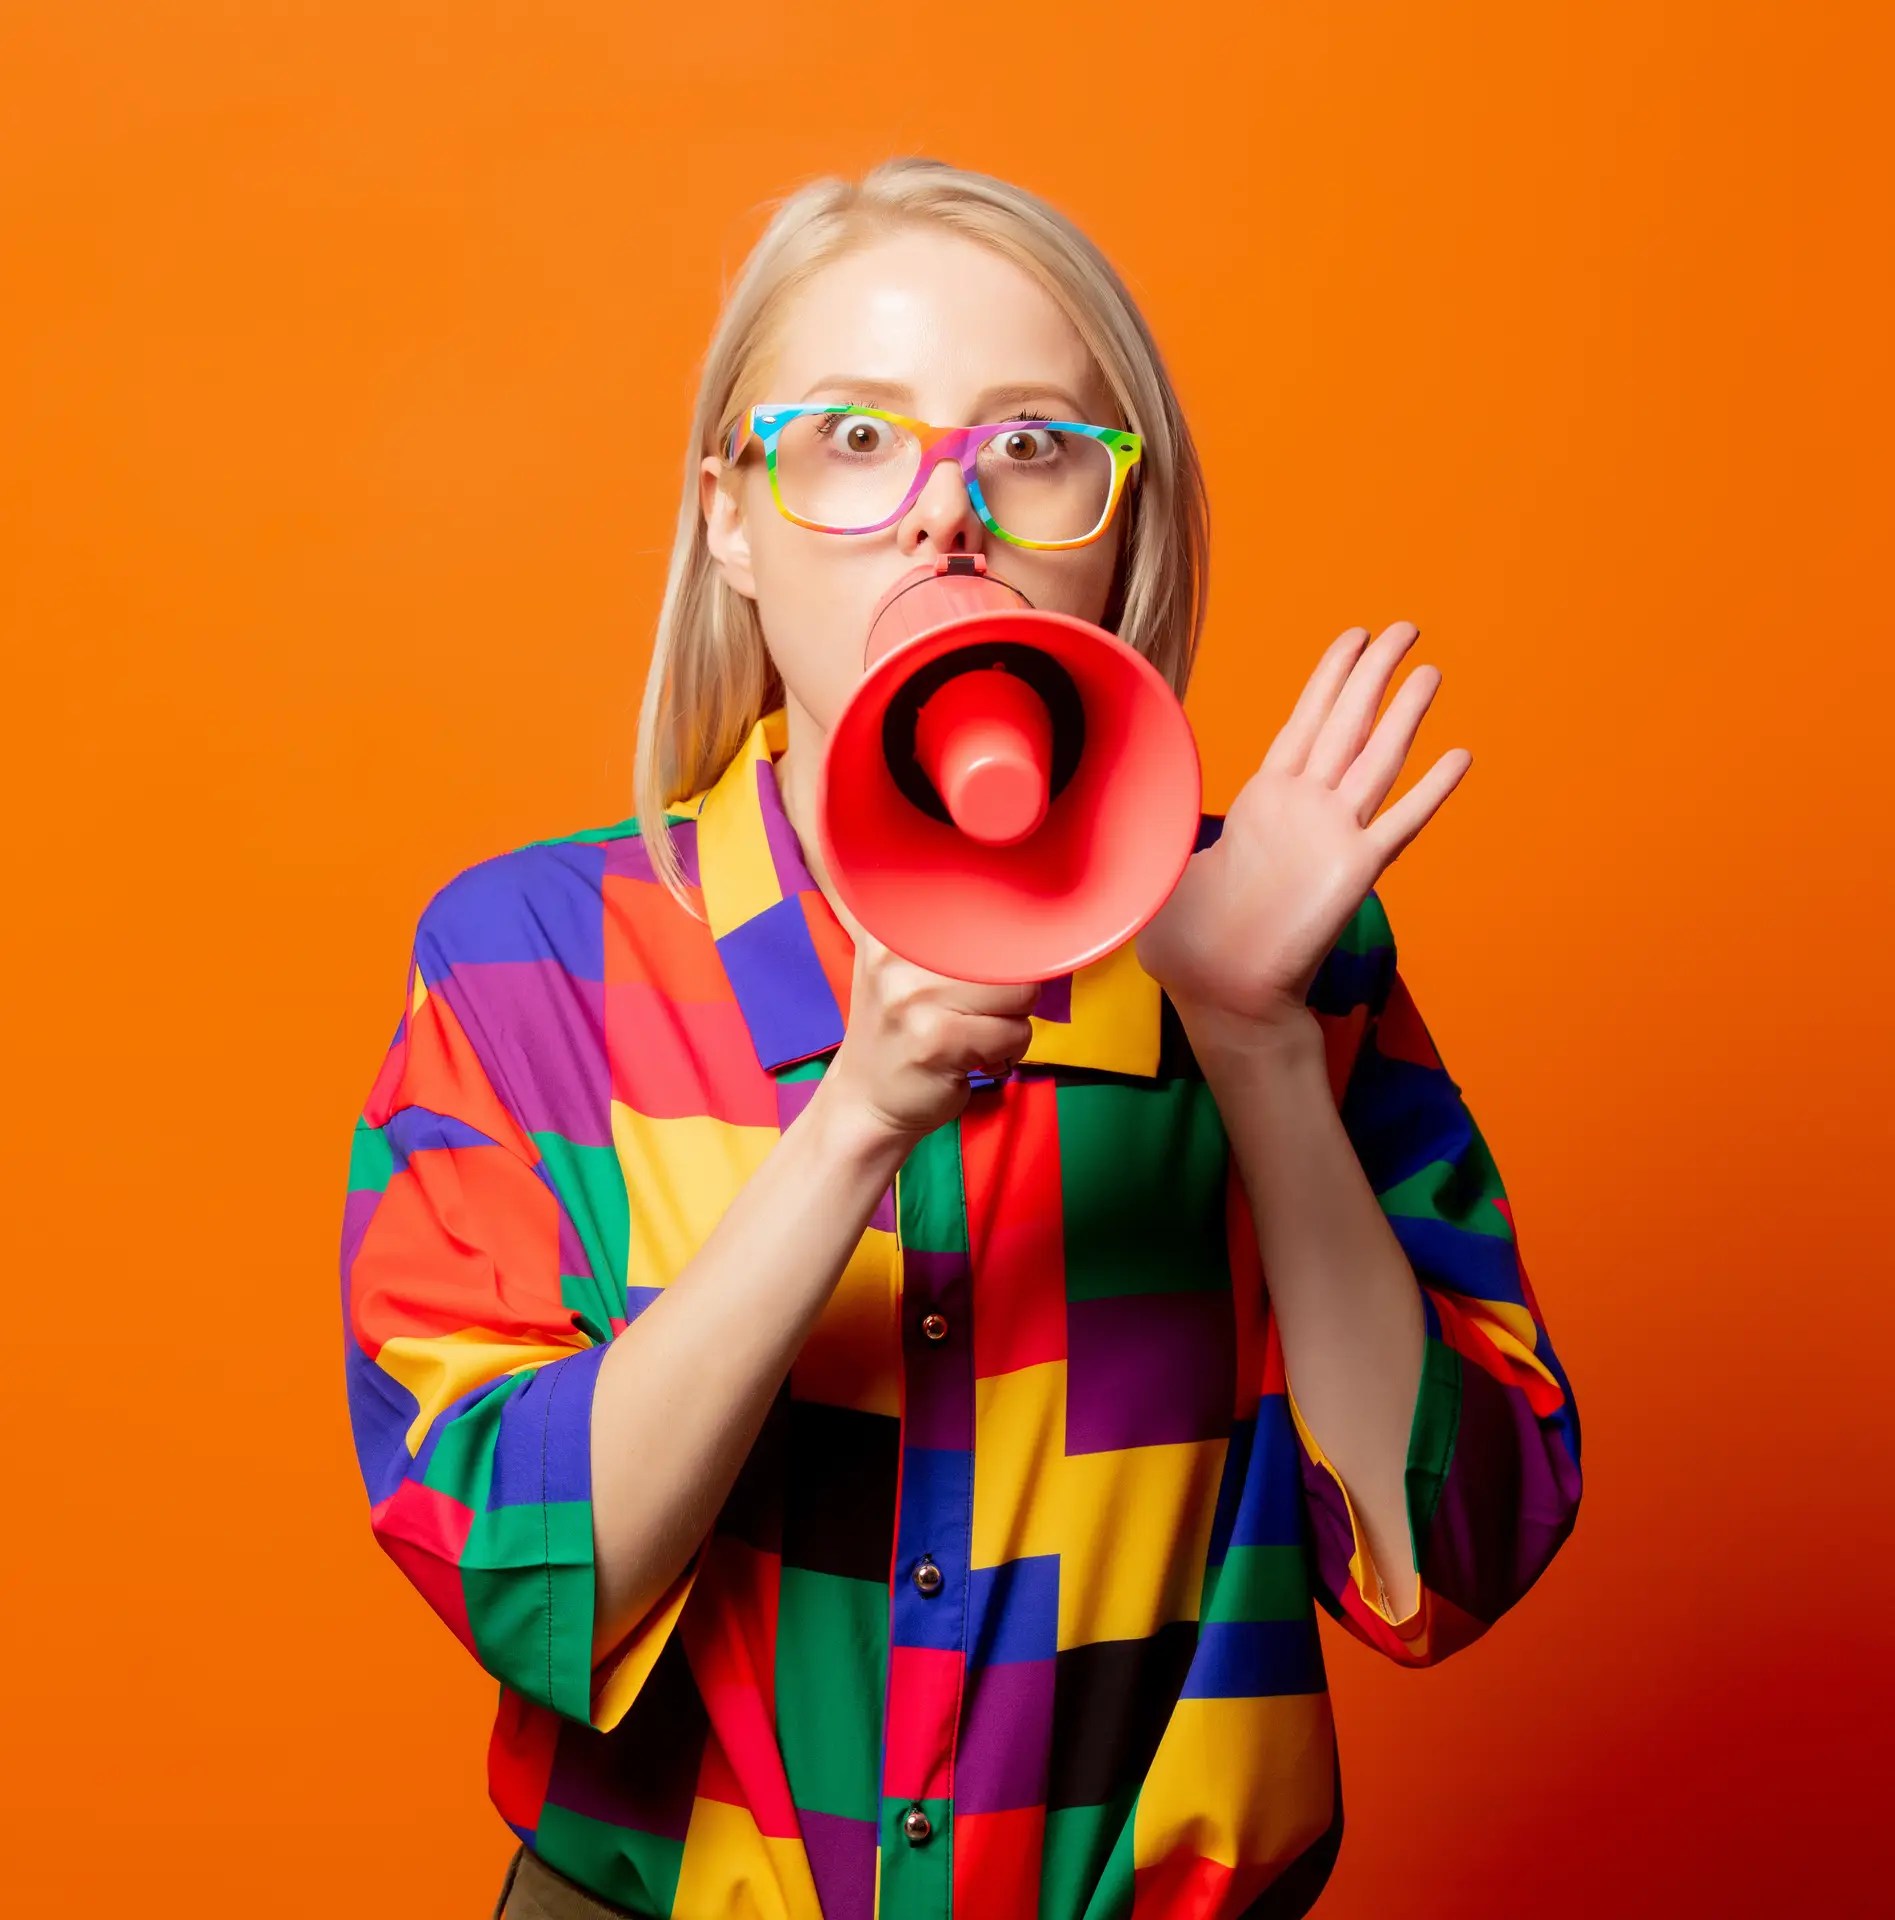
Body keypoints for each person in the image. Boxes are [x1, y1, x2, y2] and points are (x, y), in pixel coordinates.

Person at [338, 155, 1583, 1920]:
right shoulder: (530, 966)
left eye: (1030, 443)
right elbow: (534, 1581)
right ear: (728, 518)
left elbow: (1451, 1555)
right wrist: (850, 1123)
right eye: (851, 439)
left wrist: (1260, 1053)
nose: (945, 515)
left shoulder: (1271, 954)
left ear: (1118, 526)